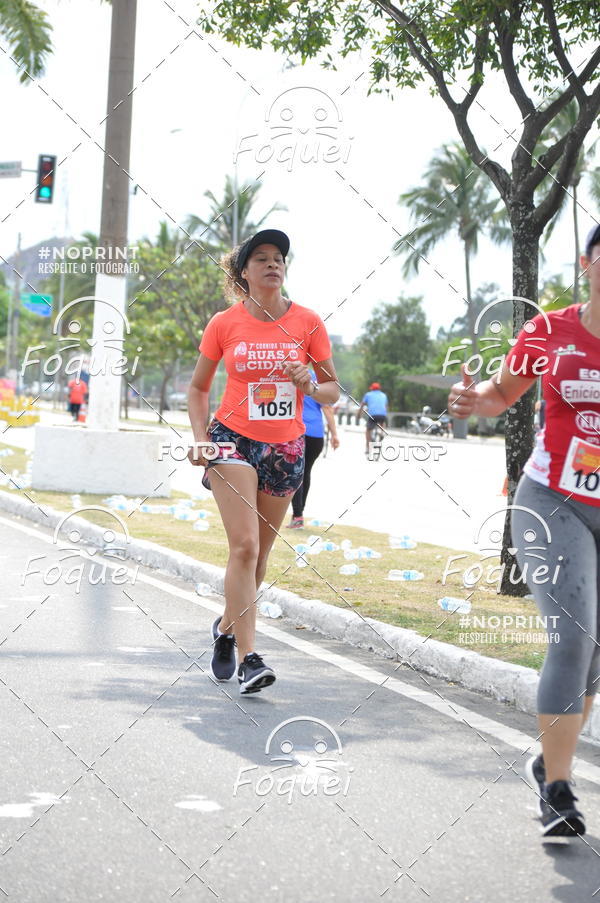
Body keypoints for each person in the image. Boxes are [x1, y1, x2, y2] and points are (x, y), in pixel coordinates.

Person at [448, 223, 600, 838]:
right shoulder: (549, 331)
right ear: (587, 262)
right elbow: (499, 394)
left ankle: (548, 760)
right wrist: (470, 401)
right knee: (571, 640)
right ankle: (560, 791)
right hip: (551, 500)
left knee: (595, 660)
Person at [187, 229, 339, 695]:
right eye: (262, 258)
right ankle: (251, 658)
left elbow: (334, 389)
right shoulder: (223, 323)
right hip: (230, 440)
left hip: (286, 446)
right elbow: (198, 388)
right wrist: (199, 439)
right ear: (244, 272)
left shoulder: (308, 322)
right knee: (244, 548)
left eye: (279, 258)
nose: (274, 264)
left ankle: (227, 629)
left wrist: (310, 384)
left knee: (260, 558)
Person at [286, 384, 340, 529]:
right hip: (316, 435)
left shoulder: (289, 376)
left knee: (296, 473)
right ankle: (298, 515)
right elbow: (327, 409)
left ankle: (297, 516)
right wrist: (334, 435)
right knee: (305, 472)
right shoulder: (317, 382)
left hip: (298, 432)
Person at [357, 382, 388, 454]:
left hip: (373, 415)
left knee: (368, 430)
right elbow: (386, 407)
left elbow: (362, 405)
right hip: (382, 415)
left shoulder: (368, 394)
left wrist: (359, 414)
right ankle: (381, 432)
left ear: (372, 389)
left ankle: (368, 448)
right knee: (382, 422)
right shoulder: (384, 395)